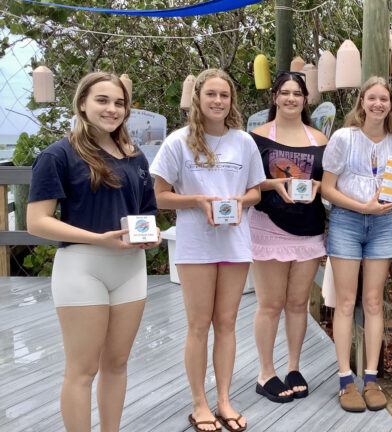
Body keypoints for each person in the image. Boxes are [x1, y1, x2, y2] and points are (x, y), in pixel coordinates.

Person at [26, 72, 160, 432]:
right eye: (102, 100)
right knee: (83, 370)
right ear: (82, 104)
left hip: (131, 268)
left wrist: (150, 234)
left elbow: (145, 212)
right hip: (82, 268)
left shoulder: (135, 156)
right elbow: (37, 222)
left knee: (117, 364)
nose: (112, 109)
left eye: (119, 103)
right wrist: (98, 239)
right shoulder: (57, 155)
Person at [150, 69, 265, 432]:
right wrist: (198, 200)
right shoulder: (178, 142)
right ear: (198, 98)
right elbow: (160, 196)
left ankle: (224, 400)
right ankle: (199, 402)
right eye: (211, 94)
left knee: (227, 323)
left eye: (224, 95)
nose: (218, 101)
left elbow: (256, 191)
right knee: (199, 325)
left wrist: (239, 201)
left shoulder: (244, 142)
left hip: (235, 243)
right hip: (196, 244)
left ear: (232, 101)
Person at [321, 76, 392, 412]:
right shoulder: (344, 138)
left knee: (373, 302)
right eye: (372, 98)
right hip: (347, 221)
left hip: (382, 224)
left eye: (384, 99)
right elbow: (327, 189)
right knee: (345, 302)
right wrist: (362, 207)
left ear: (390, 105)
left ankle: (371, 379)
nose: (378, 104)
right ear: (362, 102)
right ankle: (346, 380)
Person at [249, 71, 328, 403]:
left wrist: (318, 186)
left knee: (297, 304)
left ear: (305, 99)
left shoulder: (320, 139)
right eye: (285, 92)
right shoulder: (255, 138)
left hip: (308, 229)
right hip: (268, 226)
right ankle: (265, 373)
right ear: (275, 97)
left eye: (297, 93)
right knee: (270, 304)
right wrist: (274, 184)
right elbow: (246, 183)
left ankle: (294, 368)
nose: (291, 98)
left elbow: (329, 182)